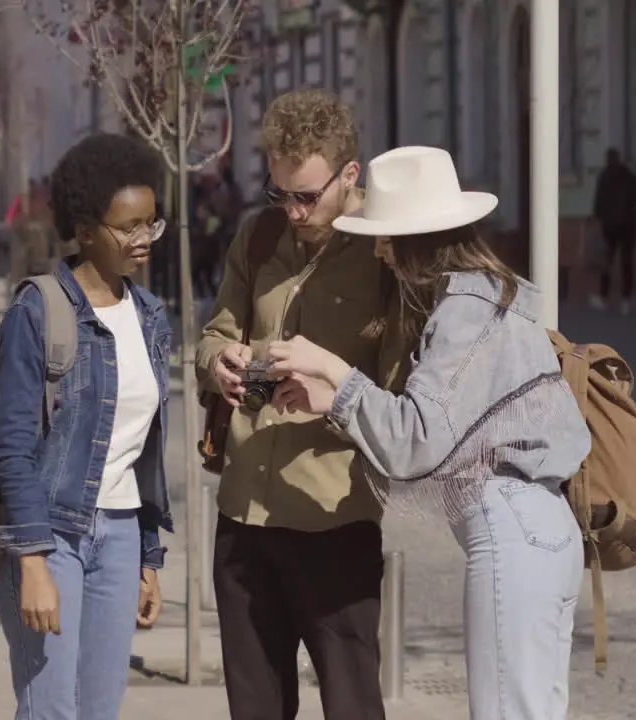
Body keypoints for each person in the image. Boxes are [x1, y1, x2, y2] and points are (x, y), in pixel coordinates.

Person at [265, 146, 591, 720]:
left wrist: (334, 371)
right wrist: (335, 403)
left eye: (387, 238)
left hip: (513, 530)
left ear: (416, 238)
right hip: (538, 529)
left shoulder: (467, 307)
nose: (381, 252)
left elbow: (415, 443)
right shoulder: (491, 292)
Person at [195, 87, 401, 720]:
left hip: (331, 517)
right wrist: (220, 366)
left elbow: (402, 395)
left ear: (348, 175)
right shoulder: (259, 238)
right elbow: (218, 333)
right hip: (244, 518)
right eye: (280, 193)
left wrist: (333, 395)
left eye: (307, 195)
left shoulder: (385, 251)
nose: (293, 211)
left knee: (351, 705)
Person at [0, 132, 173, 720]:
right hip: (54, 534)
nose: (144, 240)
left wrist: (148, 557)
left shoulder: (150, 317)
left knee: (99, 712)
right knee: (51, 712)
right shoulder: (37, 311)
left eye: (152, 223)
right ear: (86, 229)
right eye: (129, 227)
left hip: (119, 539)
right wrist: (34, 561)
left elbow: (145, 454)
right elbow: (11, 448)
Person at [590, 147, 636, 315]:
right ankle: (626, 300)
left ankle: (603, 297)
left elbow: (598, 203)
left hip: (610, 227)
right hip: (628, 227)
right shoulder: (628, 176)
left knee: (607, 261)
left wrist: (598, 218)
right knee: (626, 262)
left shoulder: (605, 177)